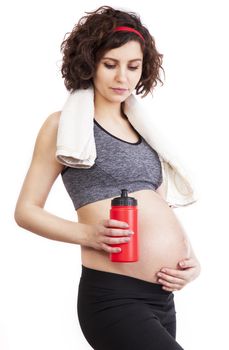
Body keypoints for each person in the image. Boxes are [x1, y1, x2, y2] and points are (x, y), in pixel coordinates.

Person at [14, 5, 201, 350]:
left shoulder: (145, 132)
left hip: (162, 298)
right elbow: (26, 210)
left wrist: (192, 261)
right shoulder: (64, 126)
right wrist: (86, 233)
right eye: (110, 65)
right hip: (113, 297)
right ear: (89, 64)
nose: (122, 78)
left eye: (133, 67)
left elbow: (158, 205)